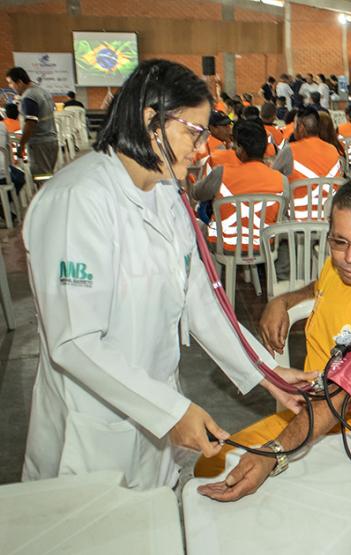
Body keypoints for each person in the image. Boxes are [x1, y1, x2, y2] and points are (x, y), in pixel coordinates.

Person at [20, 59, 305, 491]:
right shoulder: (77, 199)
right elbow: (74, 341)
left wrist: (268, 371)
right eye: (193, 132)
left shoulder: (166, 194)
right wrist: (169, 411)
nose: (200, 148)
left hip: (152, 416)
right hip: (93, 427)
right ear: (150, 120)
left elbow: (201, 303)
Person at [196, 180, 351, 499]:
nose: (349, 257)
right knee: (210, 465)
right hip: (319, 416)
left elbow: (336, 401)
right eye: (339, 241)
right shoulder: (343, 268)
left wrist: (274, 453)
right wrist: (283, 301)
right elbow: (318, 287)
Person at [193, 120, 285, 239]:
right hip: (265, 248)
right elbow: (281, 213)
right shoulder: (281, 179)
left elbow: (196, 194)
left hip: (223, 250)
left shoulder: (220, 173)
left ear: (240, 148)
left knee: (196, 225)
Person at [273, 106, 343, 219]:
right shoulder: (333, 150)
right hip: (327, 218)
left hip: (297, 218)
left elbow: (272, 176)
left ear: (301, 127)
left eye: (294, 125)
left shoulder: (290, 150)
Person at [6, 66, 58, 175]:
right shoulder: (42, 91)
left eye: (11, 83)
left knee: (41, 177)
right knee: (48, 174)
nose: (11, 87)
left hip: (39, 143)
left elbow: (30, 123)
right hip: (51, 139)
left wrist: (21, 145)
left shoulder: (29, 97)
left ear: (19, 82)